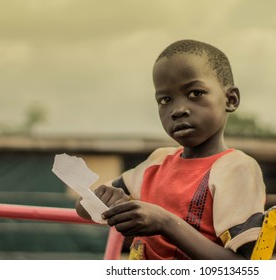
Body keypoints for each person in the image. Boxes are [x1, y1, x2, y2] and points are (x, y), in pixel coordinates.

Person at [75, 39, 266, 260]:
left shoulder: (236, 168)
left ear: (230, 99)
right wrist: (102, 199)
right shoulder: (158, 161)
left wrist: (165, 223)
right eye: (165, 99)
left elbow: (244, 267)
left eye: (195, 93)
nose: (177, 110)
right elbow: (83, 207)